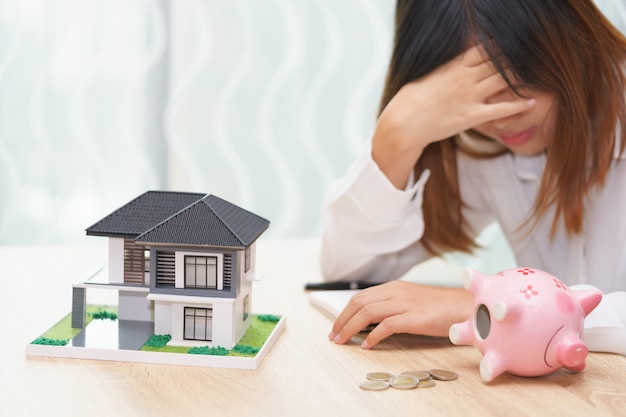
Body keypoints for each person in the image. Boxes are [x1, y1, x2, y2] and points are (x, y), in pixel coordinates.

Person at [320, 0, 626, 350]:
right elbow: (349, 272)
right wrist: (395, 135)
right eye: (472, 94)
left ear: (568, 41)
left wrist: (489, 307)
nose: (500, 117)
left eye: (518, 81)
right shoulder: (488, 149)